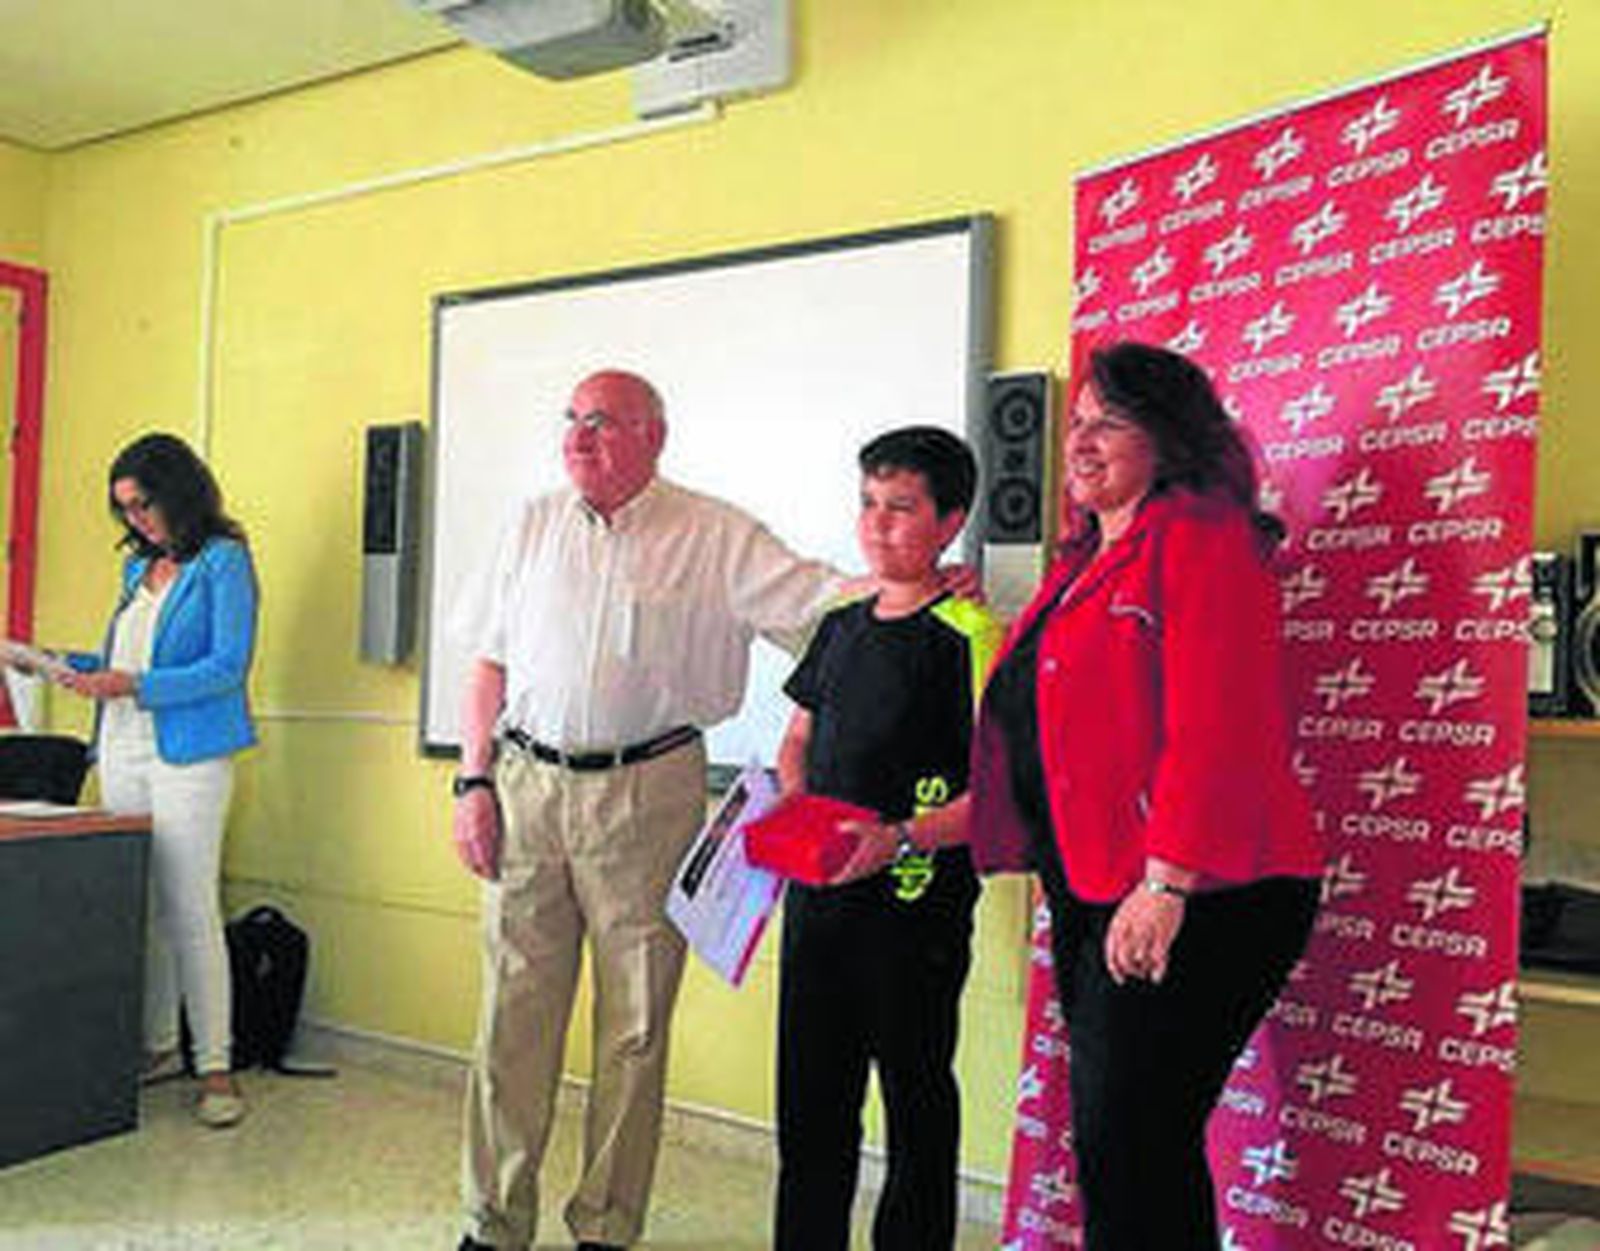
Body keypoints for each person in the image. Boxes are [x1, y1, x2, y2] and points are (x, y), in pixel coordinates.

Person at [450, 371, 975, 1251]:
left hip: (649, 792)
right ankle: (493, 1222)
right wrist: (472, 782)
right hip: (525, 786)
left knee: (637, 1025)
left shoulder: (713, 531)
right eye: (572, 421)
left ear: (654, 435)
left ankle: (605, 1228)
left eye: (605, 423)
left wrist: (930, 579)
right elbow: (487, 664)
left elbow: (833, 599)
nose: (581, 438)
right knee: (511, 1019)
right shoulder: (530, 524)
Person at [968, 342, 1324, 1250]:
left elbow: (1220, 727)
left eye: (1109, 423)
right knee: (1125, 1150)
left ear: (1169, 438)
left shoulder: (1204, 539)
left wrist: (1164, 884)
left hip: (1204, 888)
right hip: (1099, 886)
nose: (1080, 442)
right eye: (1077, 423)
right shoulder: (1083, 560)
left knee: (1136, 1145)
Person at [770, 426, 1002, 1251]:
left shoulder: (971, 635)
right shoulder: (839, 625)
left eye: (901, 509)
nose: (877, 525)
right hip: (820, 904)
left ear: (949, 520)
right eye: (868, 504)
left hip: (914, 914)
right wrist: (798, 801)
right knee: (809, 1108)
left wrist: (901, 837)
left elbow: (1000, 794)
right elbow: (796, 738)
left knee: (915, 1104)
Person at [57, 432, 258, 1129]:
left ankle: (217, 1066)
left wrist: (132, 683)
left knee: (190, 907)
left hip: (190, 755)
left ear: (179, 490)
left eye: (144, 503)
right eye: (125, 510)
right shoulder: (135, 574)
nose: (136, 520)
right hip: (123, 747)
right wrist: (60, 663)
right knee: (141, 906)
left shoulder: (224, 561)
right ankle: (161, 1046)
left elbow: (226, 667)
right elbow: (121, 658)